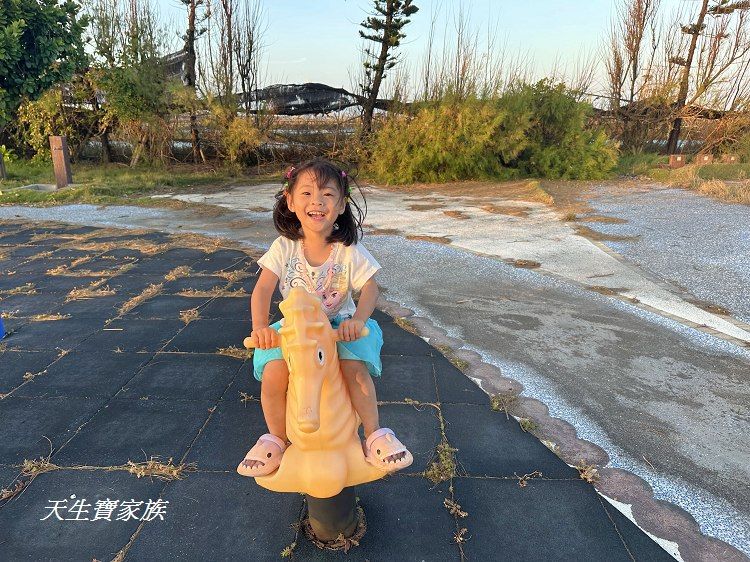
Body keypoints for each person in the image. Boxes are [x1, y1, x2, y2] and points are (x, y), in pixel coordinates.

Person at [237, 158, 413, 477]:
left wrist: (357, 321)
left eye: (328, 194)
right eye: (306, 193)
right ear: (290, 201)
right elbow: (263, 290)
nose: (317, 201)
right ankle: (276, 437)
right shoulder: (284, 246)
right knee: (275, 372)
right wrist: (260, 327)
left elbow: (371, 289)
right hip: (296, 327)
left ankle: (373, 433)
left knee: (353, 368)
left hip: (336, 325)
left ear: (342, 206)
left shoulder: (347, 249)